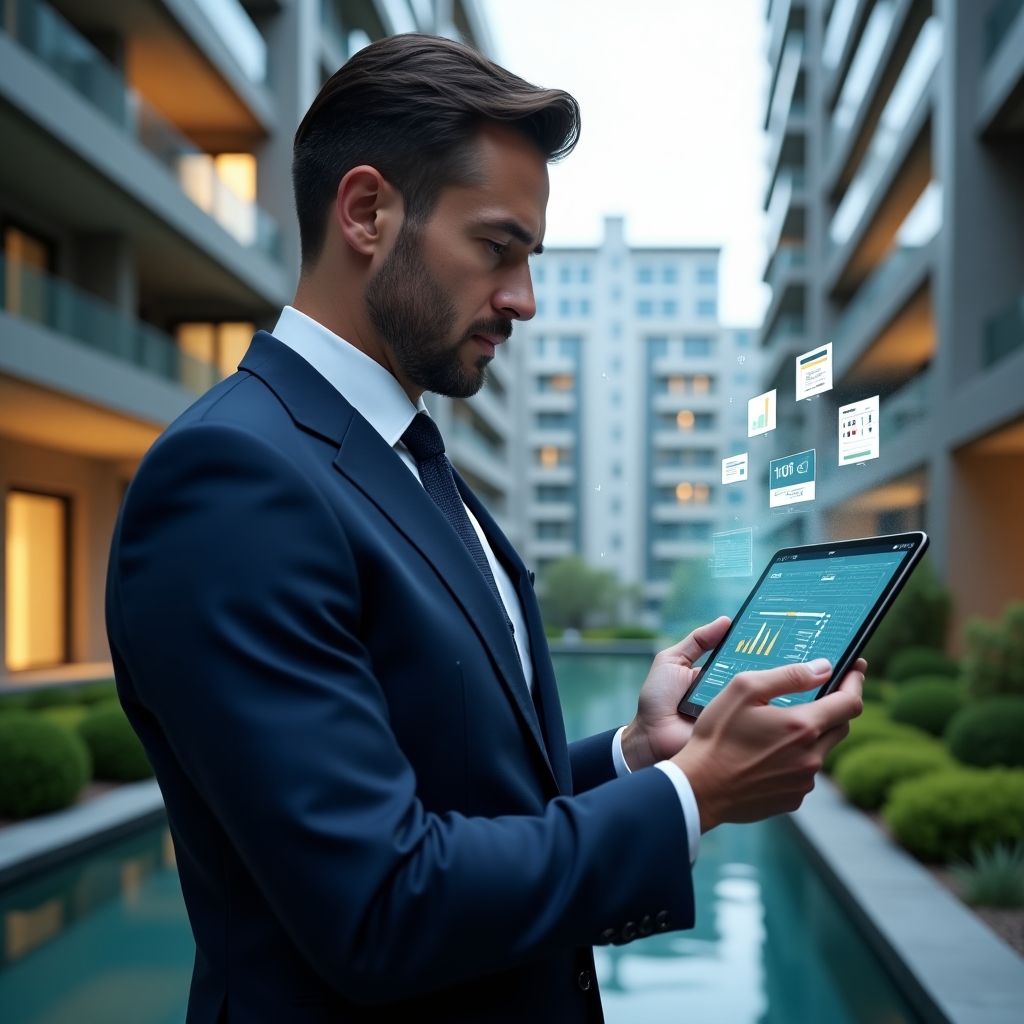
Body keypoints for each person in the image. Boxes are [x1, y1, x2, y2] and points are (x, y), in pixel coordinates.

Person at [106, 34, 863, 1023]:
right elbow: (379, 904)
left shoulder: (402, 456)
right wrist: (695, 792)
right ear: (366, 212)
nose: (524, 301)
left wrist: (637, 756)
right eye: (497, 249)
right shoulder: (232, 480)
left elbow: (456, 785)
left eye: (529, 259)